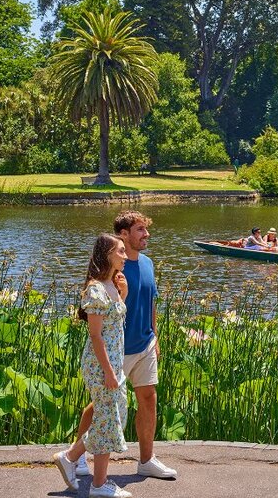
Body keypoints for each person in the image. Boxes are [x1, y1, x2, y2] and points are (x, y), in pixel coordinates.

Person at [55, 211, 177, 492]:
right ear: (123, 235)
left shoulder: (147, 264)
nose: (146, 235)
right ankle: (78, 458)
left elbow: (152, 301)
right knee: (103, 407)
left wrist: (154, 336)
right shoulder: (112, 274)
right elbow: (99, 325)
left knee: (147, 397)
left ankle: (146, 460)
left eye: (146, 230)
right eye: (139, 230)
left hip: (144, 343)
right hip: (117, 351)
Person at [55, 234, 132, 498]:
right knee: (108, 419)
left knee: (115, 414)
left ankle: (70, 456)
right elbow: (96, 335)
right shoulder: (96, 289)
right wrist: (109, 372)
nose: (124, 255)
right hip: (101, 365)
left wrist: (123, 293)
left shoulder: (112, 284)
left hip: (114, 363)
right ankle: (99, 485)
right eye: (120, 251)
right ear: (108, 254)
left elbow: (116, 322)